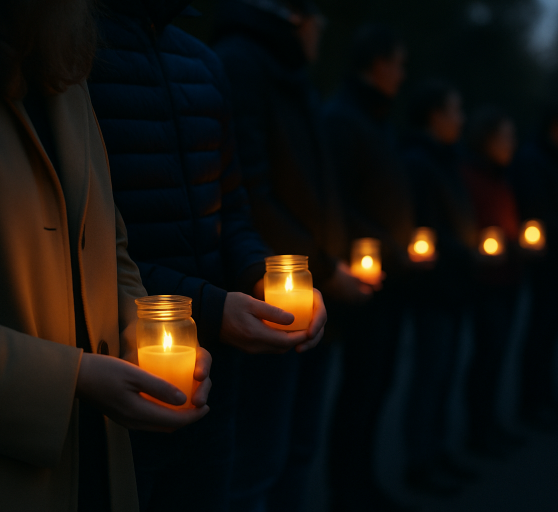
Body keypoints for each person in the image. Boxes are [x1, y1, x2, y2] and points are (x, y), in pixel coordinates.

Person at [0, 1, 213, 510]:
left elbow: (111, 246)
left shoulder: (63, 62)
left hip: (99, 468)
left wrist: (140, 331)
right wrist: (69, 379)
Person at [87, 1, 327, 510]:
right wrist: (216, 308)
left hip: (216, 375)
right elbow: (80, 242)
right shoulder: (74, 54)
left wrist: (260, 275)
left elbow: (234, 209)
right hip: (113, 368)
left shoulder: (203, 64)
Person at [214, 1, 367, 510]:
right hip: (270, 296)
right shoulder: (242, 64)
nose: (322, 31)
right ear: (300, 17)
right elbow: (252, 192)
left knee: (296, 447)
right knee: (258, 459)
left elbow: (311, 186)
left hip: (313, 290)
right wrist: (323, 268)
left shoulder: (290, 74)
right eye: (320, 19)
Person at [322, 23, 417, 512]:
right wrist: (384, 244)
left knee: (378, 385)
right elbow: (335, 201)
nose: (403, 73)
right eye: (398, 63)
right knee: (359, 391)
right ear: (377, 64)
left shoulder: (378, 121)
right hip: (360, 285)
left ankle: (364, 482)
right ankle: (346, 491)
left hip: (392, 280)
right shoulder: (342, 119)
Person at [400, 79, 479, 494]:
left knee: (445, 370)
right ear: (435, 115)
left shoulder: (448, 159)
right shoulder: (418, 161)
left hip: (455, 284)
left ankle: (438, 451)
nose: (461, 118)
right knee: (430, 374)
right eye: (455, 110)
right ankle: (420, 460)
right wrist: (468, 251)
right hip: (434, 287)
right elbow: (423, 227)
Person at [511, 106, 558, 428]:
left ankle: (547, 394)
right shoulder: (533, 160)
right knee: (541, 329)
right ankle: (532, 401)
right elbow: (534, 209)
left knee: (554, 327)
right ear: (556, 127)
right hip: (547, 260)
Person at [462, 107, 524, 459]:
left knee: (498, 354)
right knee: (485, 357)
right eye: (506, 136)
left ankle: (490, 423)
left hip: (509, 277)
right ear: (487, 140)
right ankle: (478, 429)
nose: (512, 143)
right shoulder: (469, 175)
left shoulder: (503, 175)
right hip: (485, 283)